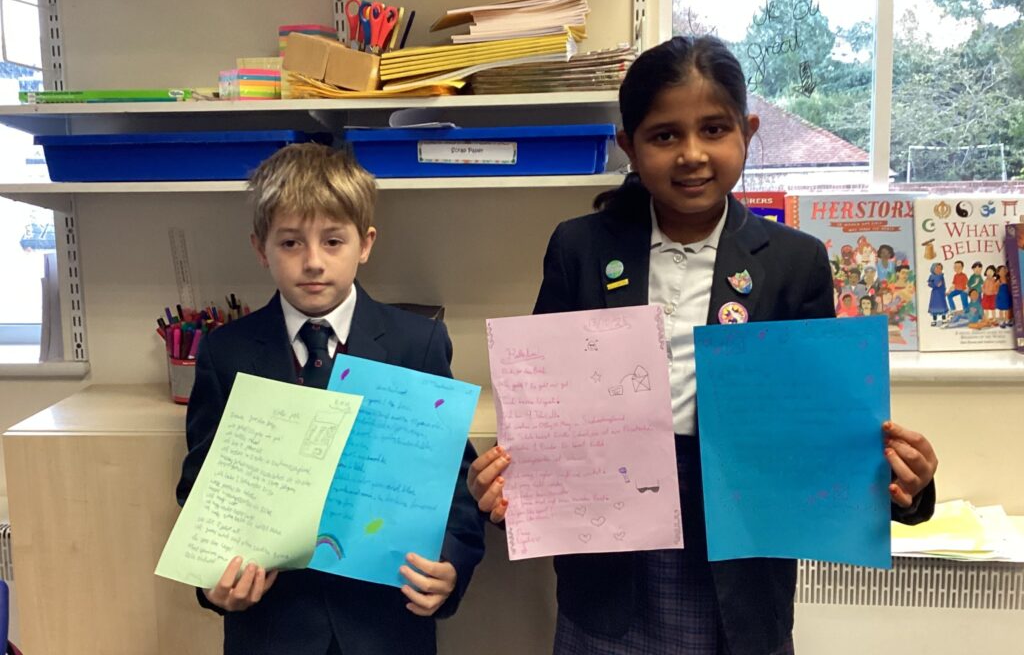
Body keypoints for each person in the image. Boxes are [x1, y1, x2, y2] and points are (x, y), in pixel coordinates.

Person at [467, 36, 937, 655]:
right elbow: (546, 408)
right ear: (629, 145)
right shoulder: (580, 248)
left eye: (714, 129)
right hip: (610, 559)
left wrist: (904, 487)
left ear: (747, 132)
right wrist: (509, 486)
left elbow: (816, 428)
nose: (691, 154)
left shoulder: (795, 261)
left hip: (741, 557)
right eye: (665, 135)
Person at [175, 144, 485, 655]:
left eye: (333, 241)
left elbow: (452, 482)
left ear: (365, 244)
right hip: (272, 627)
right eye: (290, 243)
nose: (313, 262)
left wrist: (452, 565)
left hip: (387, 624)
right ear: (260, 248)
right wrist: (212, 583)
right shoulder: (226, 352)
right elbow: (202, 488)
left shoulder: (416, 343)